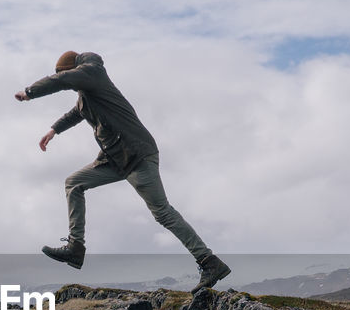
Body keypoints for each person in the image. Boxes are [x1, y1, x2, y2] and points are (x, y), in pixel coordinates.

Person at [14, 50, 231, 292]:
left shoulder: (92, 72)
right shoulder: (87, 95)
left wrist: (30, 92)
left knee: (163, 213)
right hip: (115, 159)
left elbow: (62, 81)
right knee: (73, 183)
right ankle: (75, 248)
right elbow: (77, 112)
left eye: (70, 78)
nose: (74, 86)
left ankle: (209, 262)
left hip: (137, 155)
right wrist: (54, 130)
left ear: (73, 70)